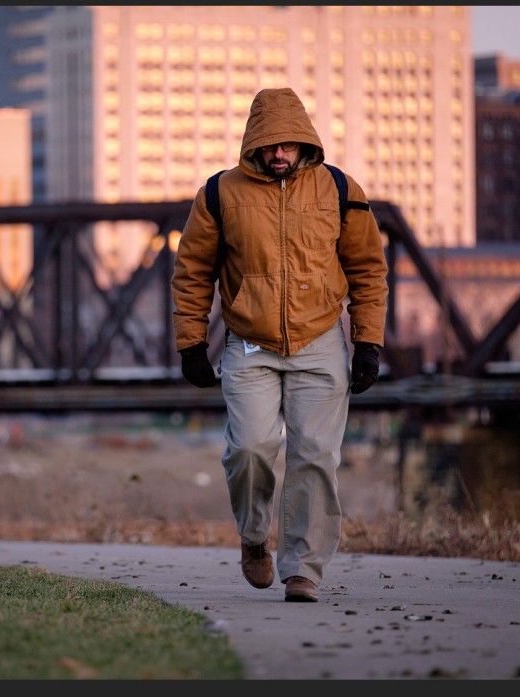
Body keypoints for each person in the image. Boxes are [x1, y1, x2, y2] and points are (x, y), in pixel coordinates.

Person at [171, 87, 388, 602]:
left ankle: (303, 570)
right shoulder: (220, 194)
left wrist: (369, 344)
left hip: (320, 342)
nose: (279, 155)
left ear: (305, 142)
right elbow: (192, 272)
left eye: (288, 145)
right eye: (270, 146)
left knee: (315, 457)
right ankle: (253, 538)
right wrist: (191, 343)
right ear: (254, 144)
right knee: (250, 448)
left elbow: (368, 271)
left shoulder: (339, 188)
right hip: (249, 345)